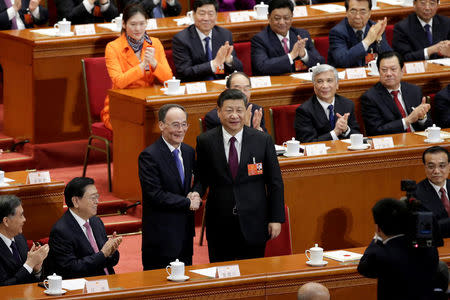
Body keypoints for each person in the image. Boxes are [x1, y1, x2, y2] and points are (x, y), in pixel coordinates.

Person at [194, 88, 285, 263]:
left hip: (255, 220)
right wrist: (196, 192)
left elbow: (275, 182)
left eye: (239, 110)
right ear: (219, 112)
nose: (234, 115)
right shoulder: (205, 140)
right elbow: (201, 177)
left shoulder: (262, 140)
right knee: (222, 274)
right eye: (229, 110)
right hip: (219, 221)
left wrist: (276, 218)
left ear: (246, 112)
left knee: (253, 272)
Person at [139, 104, 201, 270]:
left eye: (184, 124)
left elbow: (198, 178)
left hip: (185, 235)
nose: (180, 130)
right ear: (161, 125)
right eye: (175, 125)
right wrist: (187, 203)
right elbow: (155, 194)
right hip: (161, 237)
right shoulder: (149, 156)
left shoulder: (188, 152)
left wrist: (196, 193)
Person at [101, 4, 173, 130]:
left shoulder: (155, 43)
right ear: (124, 24)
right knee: (136, 128)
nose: (138, 28)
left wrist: (154, 63)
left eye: (141, 24)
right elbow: (119, 81)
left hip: (149, 103)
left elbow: (168, 79)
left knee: (170, 123)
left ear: (147, 23)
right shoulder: (113, 47)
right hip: (121, 105)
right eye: (133, 24)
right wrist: (142, 65)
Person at [358, 198, 439, 300]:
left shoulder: (381, 256)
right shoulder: (429, 248)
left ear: (378, 228)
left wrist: (377, 238)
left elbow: (363, 268)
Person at [47, 177, 122, 279]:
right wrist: (103, 254)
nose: (97, 201)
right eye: (92, 198)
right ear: (76, 201)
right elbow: (70, 269)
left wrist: (111, 251)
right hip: (85, 287)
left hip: (108, 281)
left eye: (97, 197)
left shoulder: (96, 222)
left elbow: (110, 261)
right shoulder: (61, 231)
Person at [360, 51, 432, 136]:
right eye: (384, 70)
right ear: (379, 72)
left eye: (393, 69)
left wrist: (422, 118)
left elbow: (429, 126)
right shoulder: (370, 98)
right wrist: (408, 120)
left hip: (418, 139)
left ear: (402, 70)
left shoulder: (414, 91)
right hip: (394, 143)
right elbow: (376, 131)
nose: (388, 74)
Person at [172, 0, 243, 82]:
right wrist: (213, 64)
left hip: (220, 85)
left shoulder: (224, 34)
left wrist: (229, 60)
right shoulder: (181, 39)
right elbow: (184, 72)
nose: (206, 18)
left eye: (211, 14)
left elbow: (239, 69)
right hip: (195, 86)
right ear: (193, 15)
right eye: (202, 14)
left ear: (216, 15)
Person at [251, 0, 324, 76]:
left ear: (292, 16)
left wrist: (304, 55)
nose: (282, 22)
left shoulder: (302, 34)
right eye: (277, 18)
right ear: (269, 17)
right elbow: (262, 67)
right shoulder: (260, 39)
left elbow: (320, 62)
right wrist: (291, 56)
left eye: (286, 18)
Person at [294, 64, 360, 142]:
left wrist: (346, 129)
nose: (325, 86)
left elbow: (357, 135)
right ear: (314, 87)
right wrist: (335, 133)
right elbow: (307, 142)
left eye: (329, 81)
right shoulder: (304, 111)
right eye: (320, 81)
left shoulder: (347, 104)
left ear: (337, 84)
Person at [0, 195, 49, 286]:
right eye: (21, 215)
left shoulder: (20, 239)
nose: (24, 219)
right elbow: (4, 287)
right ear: (6, 221)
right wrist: (29, 264)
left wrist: (36, 269)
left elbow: (27, 281)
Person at [328, 0, 392, 68]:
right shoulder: (337, 32)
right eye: (353, 11)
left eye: (363, 12)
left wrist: (379, 38)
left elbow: (390, 58)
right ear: (346, 12)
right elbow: (343, 61)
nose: (357, 16)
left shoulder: (375, 28)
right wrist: (367, 41)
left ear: (370, 13)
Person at [415, 146, 450, 238]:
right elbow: (425, 228)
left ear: (449, 166)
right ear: (425, 168)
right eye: (431, 167)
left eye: (442, 166)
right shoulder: (417, 194)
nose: (436, 171)